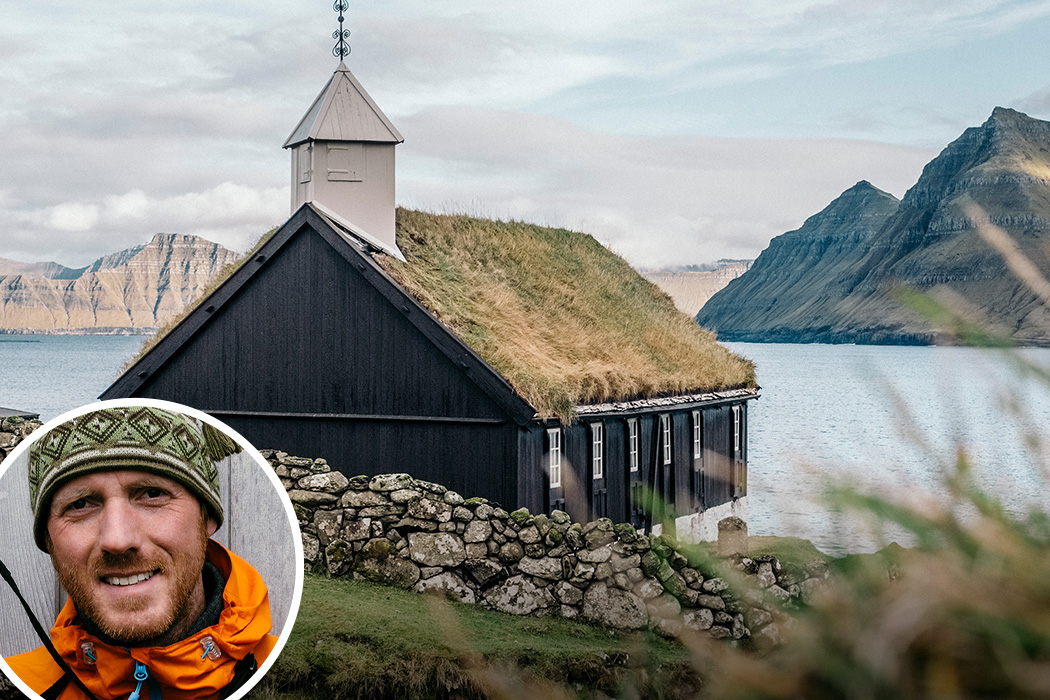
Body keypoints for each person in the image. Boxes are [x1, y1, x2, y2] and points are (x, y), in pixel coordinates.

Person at [3, 406, 278, 700]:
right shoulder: (20, 685)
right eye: (80, 504)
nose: (118, 540)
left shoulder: (278, 674)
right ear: (49, 539)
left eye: (152, 494)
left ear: (207, 516)